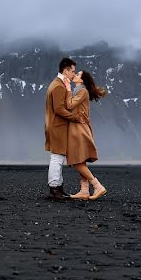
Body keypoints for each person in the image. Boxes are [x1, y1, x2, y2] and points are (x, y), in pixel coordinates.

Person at [65, 70, 108, 200]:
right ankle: (84, 191)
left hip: (79, 129)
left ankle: (97, 186)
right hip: (78, 128)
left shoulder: (82, 91)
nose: (75, 75)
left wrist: (67, 89)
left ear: (82, 80)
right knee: (81, 159)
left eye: (77, 75)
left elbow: (69, 104)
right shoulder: (79, 90)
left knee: (76, 160)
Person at [44, 57, 83, 199]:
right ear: (65, 71)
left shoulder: (59, 84)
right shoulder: (59, 86)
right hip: (57, 127)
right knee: (57, 157)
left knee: (58, 157)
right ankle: (54, 189)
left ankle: (58, 188)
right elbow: (59, 109)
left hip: (55, 126)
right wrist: (76, 118)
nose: (74, 74)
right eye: (72, 71)